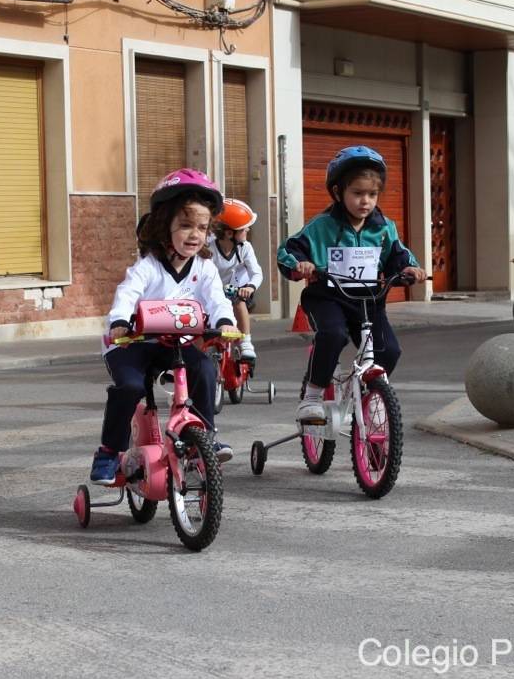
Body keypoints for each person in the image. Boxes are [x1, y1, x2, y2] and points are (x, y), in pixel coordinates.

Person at [90, 169, 240, 485]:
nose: (194, 234)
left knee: (204, 371)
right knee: (129, 388)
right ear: (164, 226)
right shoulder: (149, 266)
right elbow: (127, 293)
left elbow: (217, 300)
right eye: (185, 226)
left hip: (173, 343)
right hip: (132, 343)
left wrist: (225, 321)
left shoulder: (205, 268)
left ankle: (204, 438)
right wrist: (119, 321)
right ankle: (108, 452)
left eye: (202, 227)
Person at [277, 145, 426, 423]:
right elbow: (289, 249)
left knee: (389, 350)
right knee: (333, 334)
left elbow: (399, 254)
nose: (365, 201)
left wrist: (409, 268)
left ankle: (371, 395)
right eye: (357, 193)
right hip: (327, 297)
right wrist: (301, 265)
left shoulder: (383, 228)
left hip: (368, 301)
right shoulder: (322, 226)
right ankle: (312, 395)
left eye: (372, 194)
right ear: (338, 192)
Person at [209, 198, 264, 361]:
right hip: (213, 291)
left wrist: (250, 287)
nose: (247, 230)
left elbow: (257, 273)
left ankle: (246, 342)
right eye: (243, 229)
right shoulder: (209, 250)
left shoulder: (245, 248)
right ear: (228, 233)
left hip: (234, 290)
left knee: (238, 300)